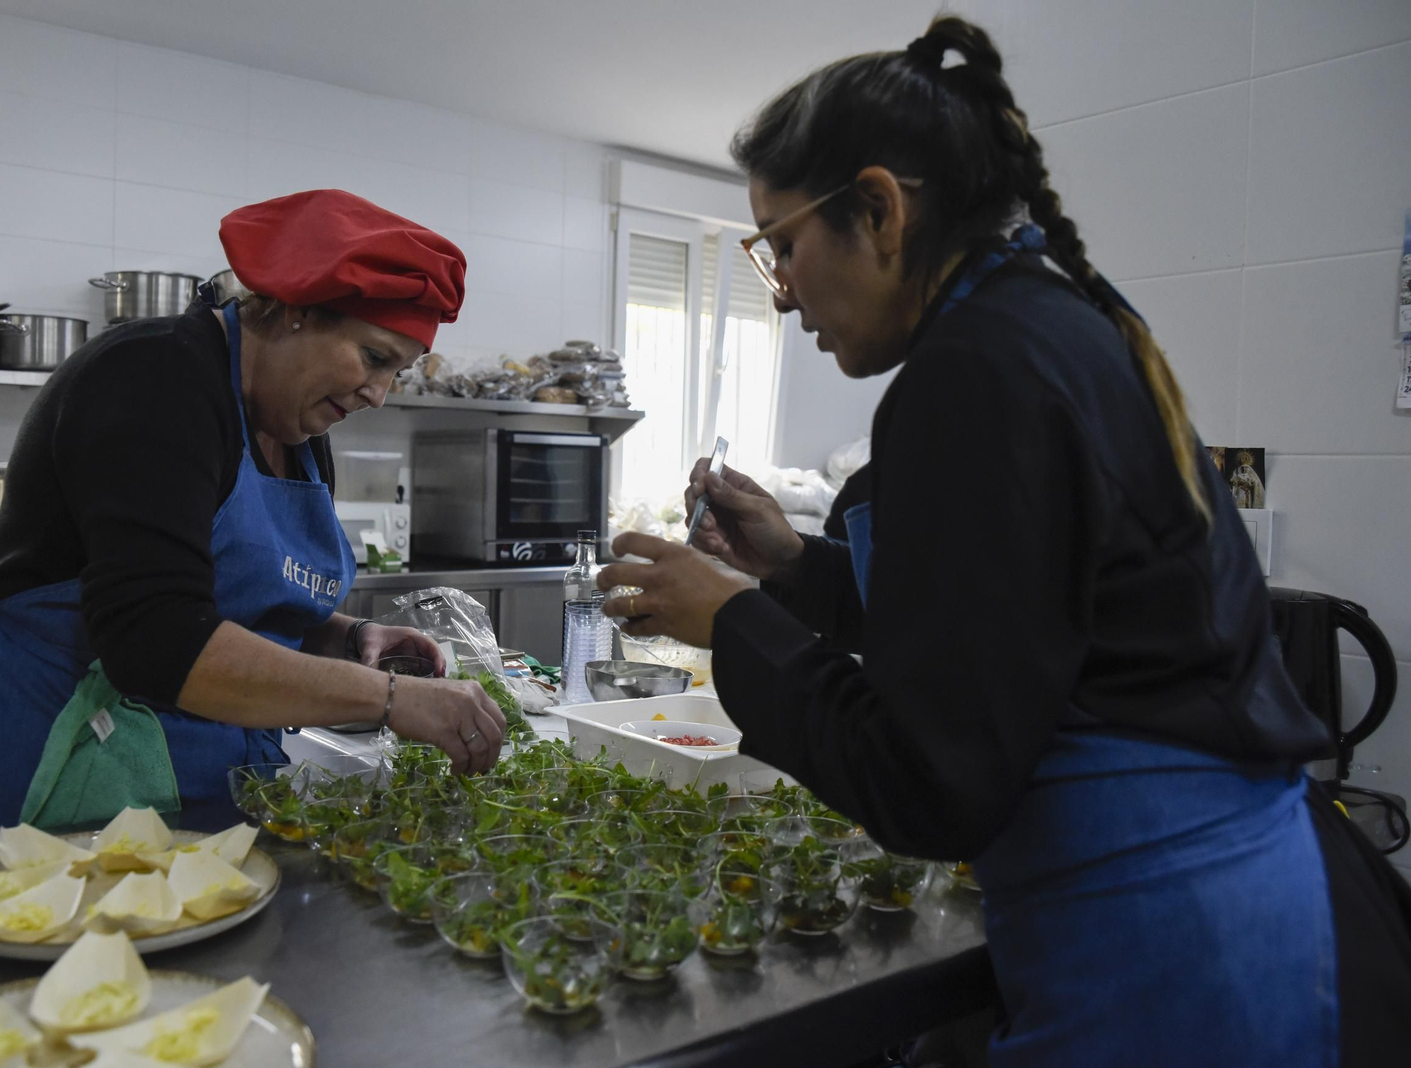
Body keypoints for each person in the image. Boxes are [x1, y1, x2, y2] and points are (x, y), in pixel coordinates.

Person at [598, 17, 1411, 1067]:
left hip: (1177, 937)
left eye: (781, 244)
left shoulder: (972, 371)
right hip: (1230, 898)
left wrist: (734, 622)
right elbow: (1005, 626)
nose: (784, 289)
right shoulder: (1041, 329)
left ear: (879, 210)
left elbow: (930, 780)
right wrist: (794, 569)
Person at [0, 189, 508, 837]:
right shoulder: (153, 378)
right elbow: (157, 637)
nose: (379, 394)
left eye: (398, 372)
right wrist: (391, 699)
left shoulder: (297, 425)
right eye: (374, 357)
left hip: (200, 764)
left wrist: (345, 637)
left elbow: (228, 598)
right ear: (294, 309)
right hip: (68, 756)